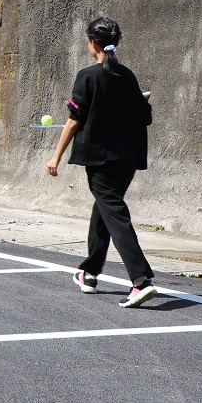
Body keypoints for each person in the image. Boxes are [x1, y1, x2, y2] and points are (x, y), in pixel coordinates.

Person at [45, 16, 155, 308]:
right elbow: (146, 117)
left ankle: (141, 280)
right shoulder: (128, 76)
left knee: (115, 214)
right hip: (128, 158)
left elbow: (74, 120)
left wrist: (56, 156)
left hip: (101, 160)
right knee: (104, 209)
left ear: (92, 43)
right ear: (115, 43)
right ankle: (90, 272)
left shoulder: (88, 76)